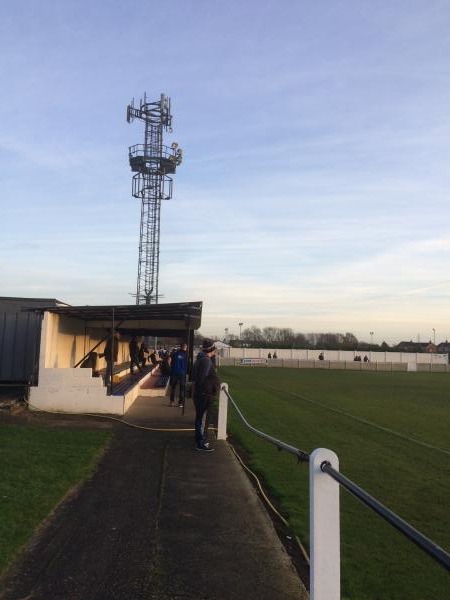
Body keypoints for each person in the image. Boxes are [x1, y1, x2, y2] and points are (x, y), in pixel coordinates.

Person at [191, 339, 220, 452]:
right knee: (202, 419)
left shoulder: (200, 359)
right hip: (203, 394)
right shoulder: (206, 361)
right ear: (212, 349)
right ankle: (201, 443)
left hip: (201, 394)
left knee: (200, 418)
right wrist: (210, 389)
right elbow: (201, 379)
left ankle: (199, 439)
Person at [169, 342, 188, 407]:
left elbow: (171, 362)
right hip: (182, 373)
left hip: (174, 372)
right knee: (182, 389)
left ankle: (171, 402)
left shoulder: (175, 353)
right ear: (185, 347)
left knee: (173, 388)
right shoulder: (186, 355)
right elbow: (188, 365)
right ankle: (180, 403)